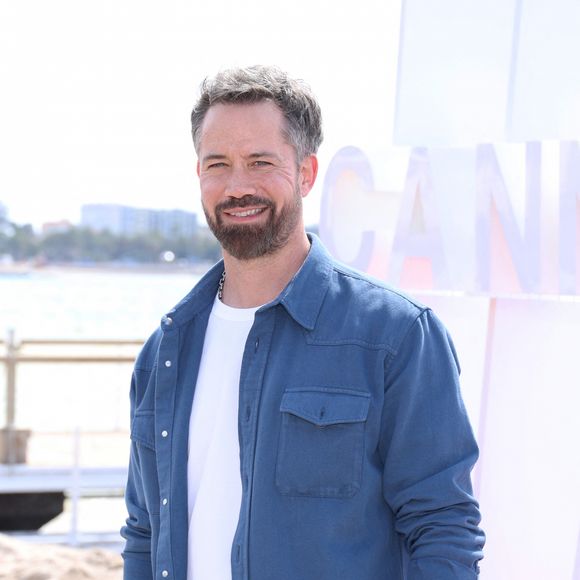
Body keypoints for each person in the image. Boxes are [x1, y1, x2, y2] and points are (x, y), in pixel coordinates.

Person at [121, 65, 485, 580]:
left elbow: (443, 526)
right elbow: (143, 531)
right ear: (198, 174)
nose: (237, 185)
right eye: (218, 163)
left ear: (307, 172)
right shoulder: (166, 350)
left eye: (260, 161)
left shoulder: (395, 336)